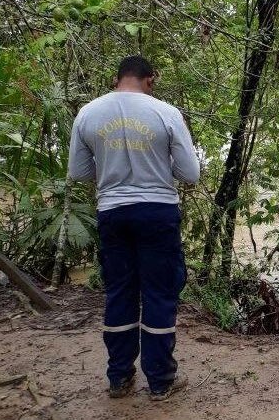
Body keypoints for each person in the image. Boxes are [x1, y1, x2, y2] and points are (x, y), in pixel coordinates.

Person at [67, 55, 200, 401]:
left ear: (116, 79)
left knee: (119, 293)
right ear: (150, 80)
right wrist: (157, 167)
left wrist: (111, 173)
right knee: (158, 293)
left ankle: (119, 378)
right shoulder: (165, 113)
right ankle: (159, 381)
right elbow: (191, 173)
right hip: (157, 212)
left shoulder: (88, 113)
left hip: (112, 211)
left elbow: (80, 172)